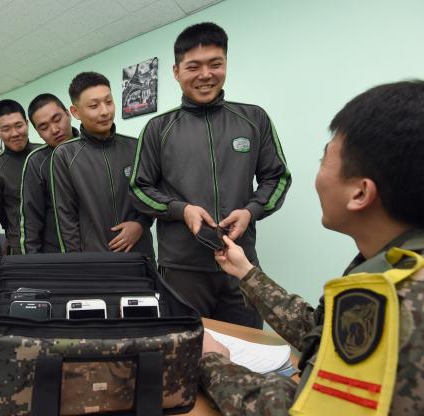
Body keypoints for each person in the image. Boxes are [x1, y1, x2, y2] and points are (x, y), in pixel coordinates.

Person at [200, 80, 424, 414]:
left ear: (360, 193)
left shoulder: (394, 300)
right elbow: (321, 329)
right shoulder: (396, 265)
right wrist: (246, 273)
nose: (317, 177)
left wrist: (211, 361)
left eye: (325, 160)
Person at [130, 22, 291, 328]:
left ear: (225, 65)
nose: (205, 75)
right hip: (181, 269)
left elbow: (277, 177)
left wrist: (250, 211)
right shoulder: (157, 129)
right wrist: (182, 210)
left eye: (215, 64)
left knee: (248, 353)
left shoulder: (253, 119)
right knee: (187, 354)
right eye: (194, 66)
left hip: (241, 264)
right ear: (176, 72)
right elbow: (139, 188)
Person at [51, 72, 155, 259]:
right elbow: (66, 216)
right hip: (94, 260)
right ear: (75, 112)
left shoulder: (135, 146)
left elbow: (151, 194)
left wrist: (140, 224)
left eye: (109, 101)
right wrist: (75, 262)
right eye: (93, 105)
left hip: (140, 254)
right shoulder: (65, 155)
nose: (105, 111)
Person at [0, 100, 38, 277]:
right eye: (6, 129)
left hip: (54, 246)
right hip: (18, 250)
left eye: (19, 125)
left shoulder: (46, 154)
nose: (14, 133)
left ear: (27, 124)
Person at [19, 93, 78, 254]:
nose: (54, 130)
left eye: (57, 119)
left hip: (99, 251)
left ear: (68, 114)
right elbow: (32, 221)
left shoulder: (90, 148)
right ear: (37, 132)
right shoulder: (36, 162)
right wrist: (33, 266)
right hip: (57, 255)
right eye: (44, 127)